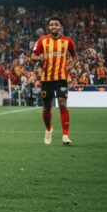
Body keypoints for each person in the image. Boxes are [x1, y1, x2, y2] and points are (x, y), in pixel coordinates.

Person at [32, 17, 76, 145]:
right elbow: (33, 55)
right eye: (51, 25)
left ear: (60, 27)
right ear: (48, 28)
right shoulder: (42, 40)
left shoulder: (67, 41)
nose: (54, 26)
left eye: (56, 24)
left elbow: (75, 57)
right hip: (46, 79)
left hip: (61, 78)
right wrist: (40, 59)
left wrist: (70, 66)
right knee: (47, 107)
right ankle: (48, 129)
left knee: (62, 104)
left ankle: (65, 135)